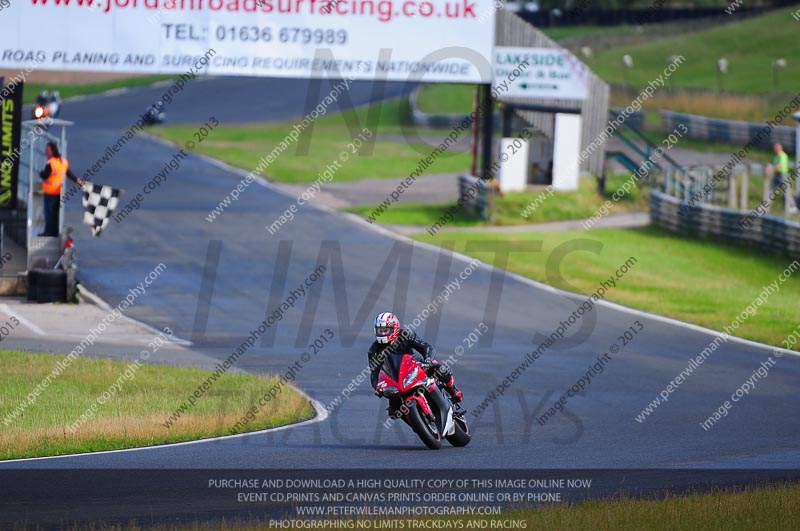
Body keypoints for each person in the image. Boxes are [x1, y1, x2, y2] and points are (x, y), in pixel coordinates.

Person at [368, 312, 463, 418]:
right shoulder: (373, 351)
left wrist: (428, 359)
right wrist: (377, 387)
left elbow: (426, 347)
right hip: (396, 378)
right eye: (380, 331)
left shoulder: (406, 334)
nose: (382, 333)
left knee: (441, 369)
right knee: (393, 411)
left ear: (394, 328)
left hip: (416, 365)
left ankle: (452, 389)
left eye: (385, 330)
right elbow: (374, 373)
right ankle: (413, 419)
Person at [38, 142, 84, 237]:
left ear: (52, 151)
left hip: (50, 192)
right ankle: (55, 232)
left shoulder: (51, 163)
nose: (46, 152)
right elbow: (68, 173)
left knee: (49, 213)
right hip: (59, 191)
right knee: (55, 213)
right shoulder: (63, 162)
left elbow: (45, 175)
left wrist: (41, 173)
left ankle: (48, 232)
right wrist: (77, 180)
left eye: (47, 150)